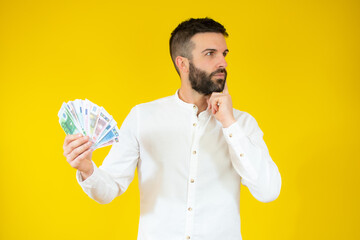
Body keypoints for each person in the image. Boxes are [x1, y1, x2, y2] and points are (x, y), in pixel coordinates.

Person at [63, 17, 281, 240]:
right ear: (183, 63)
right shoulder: (142, 117)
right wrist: (87, 168)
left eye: (224, 54)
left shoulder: (242, 124)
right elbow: (109, 190)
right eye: (210, 54)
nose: (222, 63)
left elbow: (268, 191)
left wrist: (229, 124)